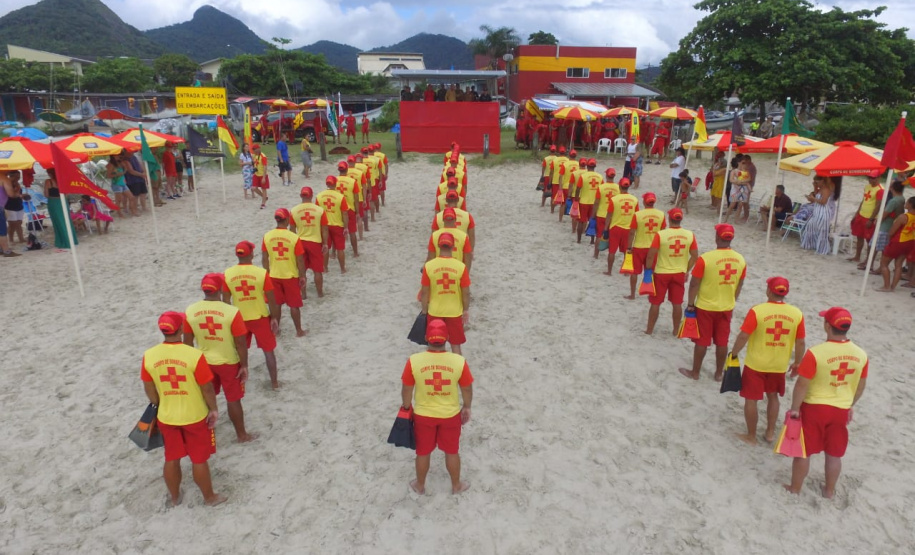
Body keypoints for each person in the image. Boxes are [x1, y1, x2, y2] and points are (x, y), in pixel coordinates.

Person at [141, 311, 225, 507]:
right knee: (198, 459)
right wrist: (213, 409)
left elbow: (149, 388)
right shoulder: (194, 355)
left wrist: (160, 404)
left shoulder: (149, 356)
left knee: (172, 457)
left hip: (167, 416)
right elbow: (207, 388)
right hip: (194, 415)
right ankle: (209, 497)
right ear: (180, 329)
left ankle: (175, 497)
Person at [784, 307, 868, 498]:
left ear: (827, 326)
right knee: (834, 453)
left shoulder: (816, 353)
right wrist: (849, 404)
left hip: (814, 407)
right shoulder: (861, 355)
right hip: (840, 410)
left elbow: (801, 385)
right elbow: (861, 386)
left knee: (803, 451)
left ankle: (795, 488)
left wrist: (795, 409)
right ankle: (829, 490)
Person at [727, 277, 806, 444]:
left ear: (769, 291)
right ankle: (770, 432)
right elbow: (800, 342)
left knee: (751, 399)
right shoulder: (797, 314)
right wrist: (798, 362)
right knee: (773, 396)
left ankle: (751, 435)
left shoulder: (758, 311)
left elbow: (743, 336)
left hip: (756, 363)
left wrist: (734, 353)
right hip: (778, 364)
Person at [400, 318, 473, 495]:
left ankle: (420, 485)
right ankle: (456, 486)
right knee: (452, 451)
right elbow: (467, 388)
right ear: (447, 338)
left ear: (426, 337)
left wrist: (406, 407)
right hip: (450, 415)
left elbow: (407, 389)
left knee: (423, 452)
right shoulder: (458, 361)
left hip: (424, 415)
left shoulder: (414, 361)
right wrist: (467, 407)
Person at [184, 273, 257, 443]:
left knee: (205, 399)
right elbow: (240, 342)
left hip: (203, 362)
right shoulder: (231, 312)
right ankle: (241, 435)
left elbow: (187, 343)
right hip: (228, 361)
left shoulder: (190, 311)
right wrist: (244, 364)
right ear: (220, 289)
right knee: (233, 399)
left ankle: (205, 433)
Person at [678, 223, 747, 381]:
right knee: (722, 341)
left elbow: (694, 283)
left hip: (706, 306)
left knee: (702, 340)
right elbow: (740, 284)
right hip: (726, 306)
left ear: (717, 237)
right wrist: (732, 301)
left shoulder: (706, 259)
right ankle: (718, 374)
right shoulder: (740, 260)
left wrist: (690, 303)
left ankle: (695, 372)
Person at [223, 241, 281, 390]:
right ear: (251, 255)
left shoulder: (227, 274)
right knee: (268, 352)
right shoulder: (261, 273)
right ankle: (274, 383)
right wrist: (274, 317)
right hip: (259, 317)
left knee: (238, 353)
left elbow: (225, 301)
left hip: (238, 319)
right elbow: (272, 300)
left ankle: (239, 384)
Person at [645, 208, 698, 335]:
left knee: (656, 302)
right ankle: (675, 331)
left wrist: (648, 270)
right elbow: (695, 256)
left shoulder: (661, 234)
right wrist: (686, 269)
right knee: (677, 303)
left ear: (669, 219)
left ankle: (649, 330)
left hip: (662, 272)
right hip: (679, 273)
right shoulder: (689, 235)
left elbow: (651, 255)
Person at [421, 232, 471, 355]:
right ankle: (458, 369)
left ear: (438, 246)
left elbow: (425, 292)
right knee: (456, 345)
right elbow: (466, 293)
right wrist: (465, 310)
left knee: (434, 346)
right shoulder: (461, 267)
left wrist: (424, 311)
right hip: (454, 311)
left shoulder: (429, 266)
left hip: (435, 310)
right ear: (453, 246)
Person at [263, 208, 307, 337]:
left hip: (273, 275)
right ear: (287, 220)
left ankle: (276, 330)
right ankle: (299, 330)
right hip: (290, 275)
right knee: (294, 305)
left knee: (276, 304)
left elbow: (265, 258)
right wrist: (302, 275)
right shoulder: (294, 237)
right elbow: (300, 259)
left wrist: (267, 273)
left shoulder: (267, 236)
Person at [289, 186, 329, 297]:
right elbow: (324, 228)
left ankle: (304, 294)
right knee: (317, 270)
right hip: (315, 242)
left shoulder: (294, 211)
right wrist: (325, 243)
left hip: (300, 242)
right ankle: (320, 293)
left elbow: (291, 230)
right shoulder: (320, 210)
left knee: (302, 271)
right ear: (311, 196)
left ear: (301, 196)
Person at [624, 192, 666, 299]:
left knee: (635, 272)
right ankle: (652, 293)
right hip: (654, 248)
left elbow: (632, 232)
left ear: (644, 202)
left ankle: (633, 294)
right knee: (651, 271)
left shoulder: (638, 215)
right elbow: (662, 232)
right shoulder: (661, 214)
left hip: (639, 247)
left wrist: (629, 247)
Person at [876, 196, 915, 292]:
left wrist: (889, 241)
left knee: (884, 263)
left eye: (907, 202)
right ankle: (892, 286)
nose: (905, 203)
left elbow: (892, 231)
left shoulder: (903, 217)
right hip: (909, 242)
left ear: (910, 205)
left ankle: (886, 286)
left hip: (898, 241)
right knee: (898, 264)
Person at [602, 178, 639, 275]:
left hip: (615, 227)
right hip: (628, 228)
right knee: (626, 251)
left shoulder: (614, 200)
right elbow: (637, 215)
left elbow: (609, 215)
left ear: (619, 186)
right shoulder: (634, 200)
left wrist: (606, 229)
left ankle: (609, 271)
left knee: (612, 251)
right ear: (628, 187)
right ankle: (626, 272)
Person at [848, 170, 885, 265]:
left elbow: (878, 205)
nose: (871, 179)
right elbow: (863, 200)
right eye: (869, 177)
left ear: (878, 178)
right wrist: (857, 213)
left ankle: (868, 261)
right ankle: (857, 256)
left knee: (869, 240)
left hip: (869, 217)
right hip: (861, 214)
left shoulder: (880, 190)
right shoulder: (867, 187)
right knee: (859, 236)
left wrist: (871, 219)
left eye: (873, 178)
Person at [870, 180, 906, 273]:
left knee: (880, 248)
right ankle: (879, 267)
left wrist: (877, 221)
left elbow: (885, 214)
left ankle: (879, 268)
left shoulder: (893, 201)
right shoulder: (902, 199)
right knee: (883, 248)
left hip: (885, 227)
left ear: (892, 188)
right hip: (892, 225)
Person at [316, 175, 350, 273]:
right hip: (337, 225)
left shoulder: (319, 196)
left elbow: (317, 212)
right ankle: (342, 269)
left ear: (326, 183)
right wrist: (346, 227)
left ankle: (325, 268)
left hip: (325, 225)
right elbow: (344, 213)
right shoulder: (340, 197)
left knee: (325, 247)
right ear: (335, 184)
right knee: (340, 248)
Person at [800, 176, 840, 255]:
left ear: (822, 181)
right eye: (815, 182)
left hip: (823, 211)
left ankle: (822, 248)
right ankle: (811, 245)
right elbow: (815, 195)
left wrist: (813, 199)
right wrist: (814, 187)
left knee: (821, 230)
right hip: (817, 210)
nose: (816, 184)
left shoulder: (826, 189)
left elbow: (823, 201)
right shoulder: (820, 189)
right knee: (810, 225)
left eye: (817, 182)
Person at [41, 169, 76, 251]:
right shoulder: (62, 180)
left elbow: (46, 194)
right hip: (63, 202)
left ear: (50, 173)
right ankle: (71, 240)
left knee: (58, 222)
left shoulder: (48, 182)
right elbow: (67, 193)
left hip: (54, 202)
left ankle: (63, 241)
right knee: (66, 221)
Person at [573, 158, 602, 244]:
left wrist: (576, 198)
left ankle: (579, 240)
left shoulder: (583, 176)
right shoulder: (600, 177)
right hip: (594, 203)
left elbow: (578, 188)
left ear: (587, 166)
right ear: (595, 166)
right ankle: (592, 240)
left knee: (581, 221)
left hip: (584, 201)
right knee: (593, 221)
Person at [592, 168, 620, 258]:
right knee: (612, 237)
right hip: (613, 216)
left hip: (601, 214)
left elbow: (596, 202)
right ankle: (610, 254)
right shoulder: (618, 187)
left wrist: (593, 214)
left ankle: (596, 254)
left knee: (599, 235)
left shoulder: (601, 187)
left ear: (606, 176)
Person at [3, 171, 26, 244]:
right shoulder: (7, 183)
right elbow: (10, 194)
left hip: (18, 204)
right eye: (16, 177)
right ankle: (11, 239)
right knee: (12, 224)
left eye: (19, 177)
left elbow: (18, 194)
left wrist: (21, 196)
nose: (18, 178)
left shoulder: (17, 183)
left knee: (19, 222)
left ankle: (21, 238)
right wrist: (19, 195)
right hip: (9, 205)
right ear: (11, 176)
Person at [251, 145, 270, 209]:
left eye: (255, 150)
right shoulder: (255, 155)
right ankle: (264, 197)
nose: (254, 151)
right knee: (254, 188)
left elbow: (265, 167)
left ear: (258, 149)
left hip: (262, 175)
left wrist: (264, 177)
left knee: (263, 189)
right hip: (256, 174)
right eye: (253, 150)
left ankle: (263, 203)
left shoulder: (263, 156)